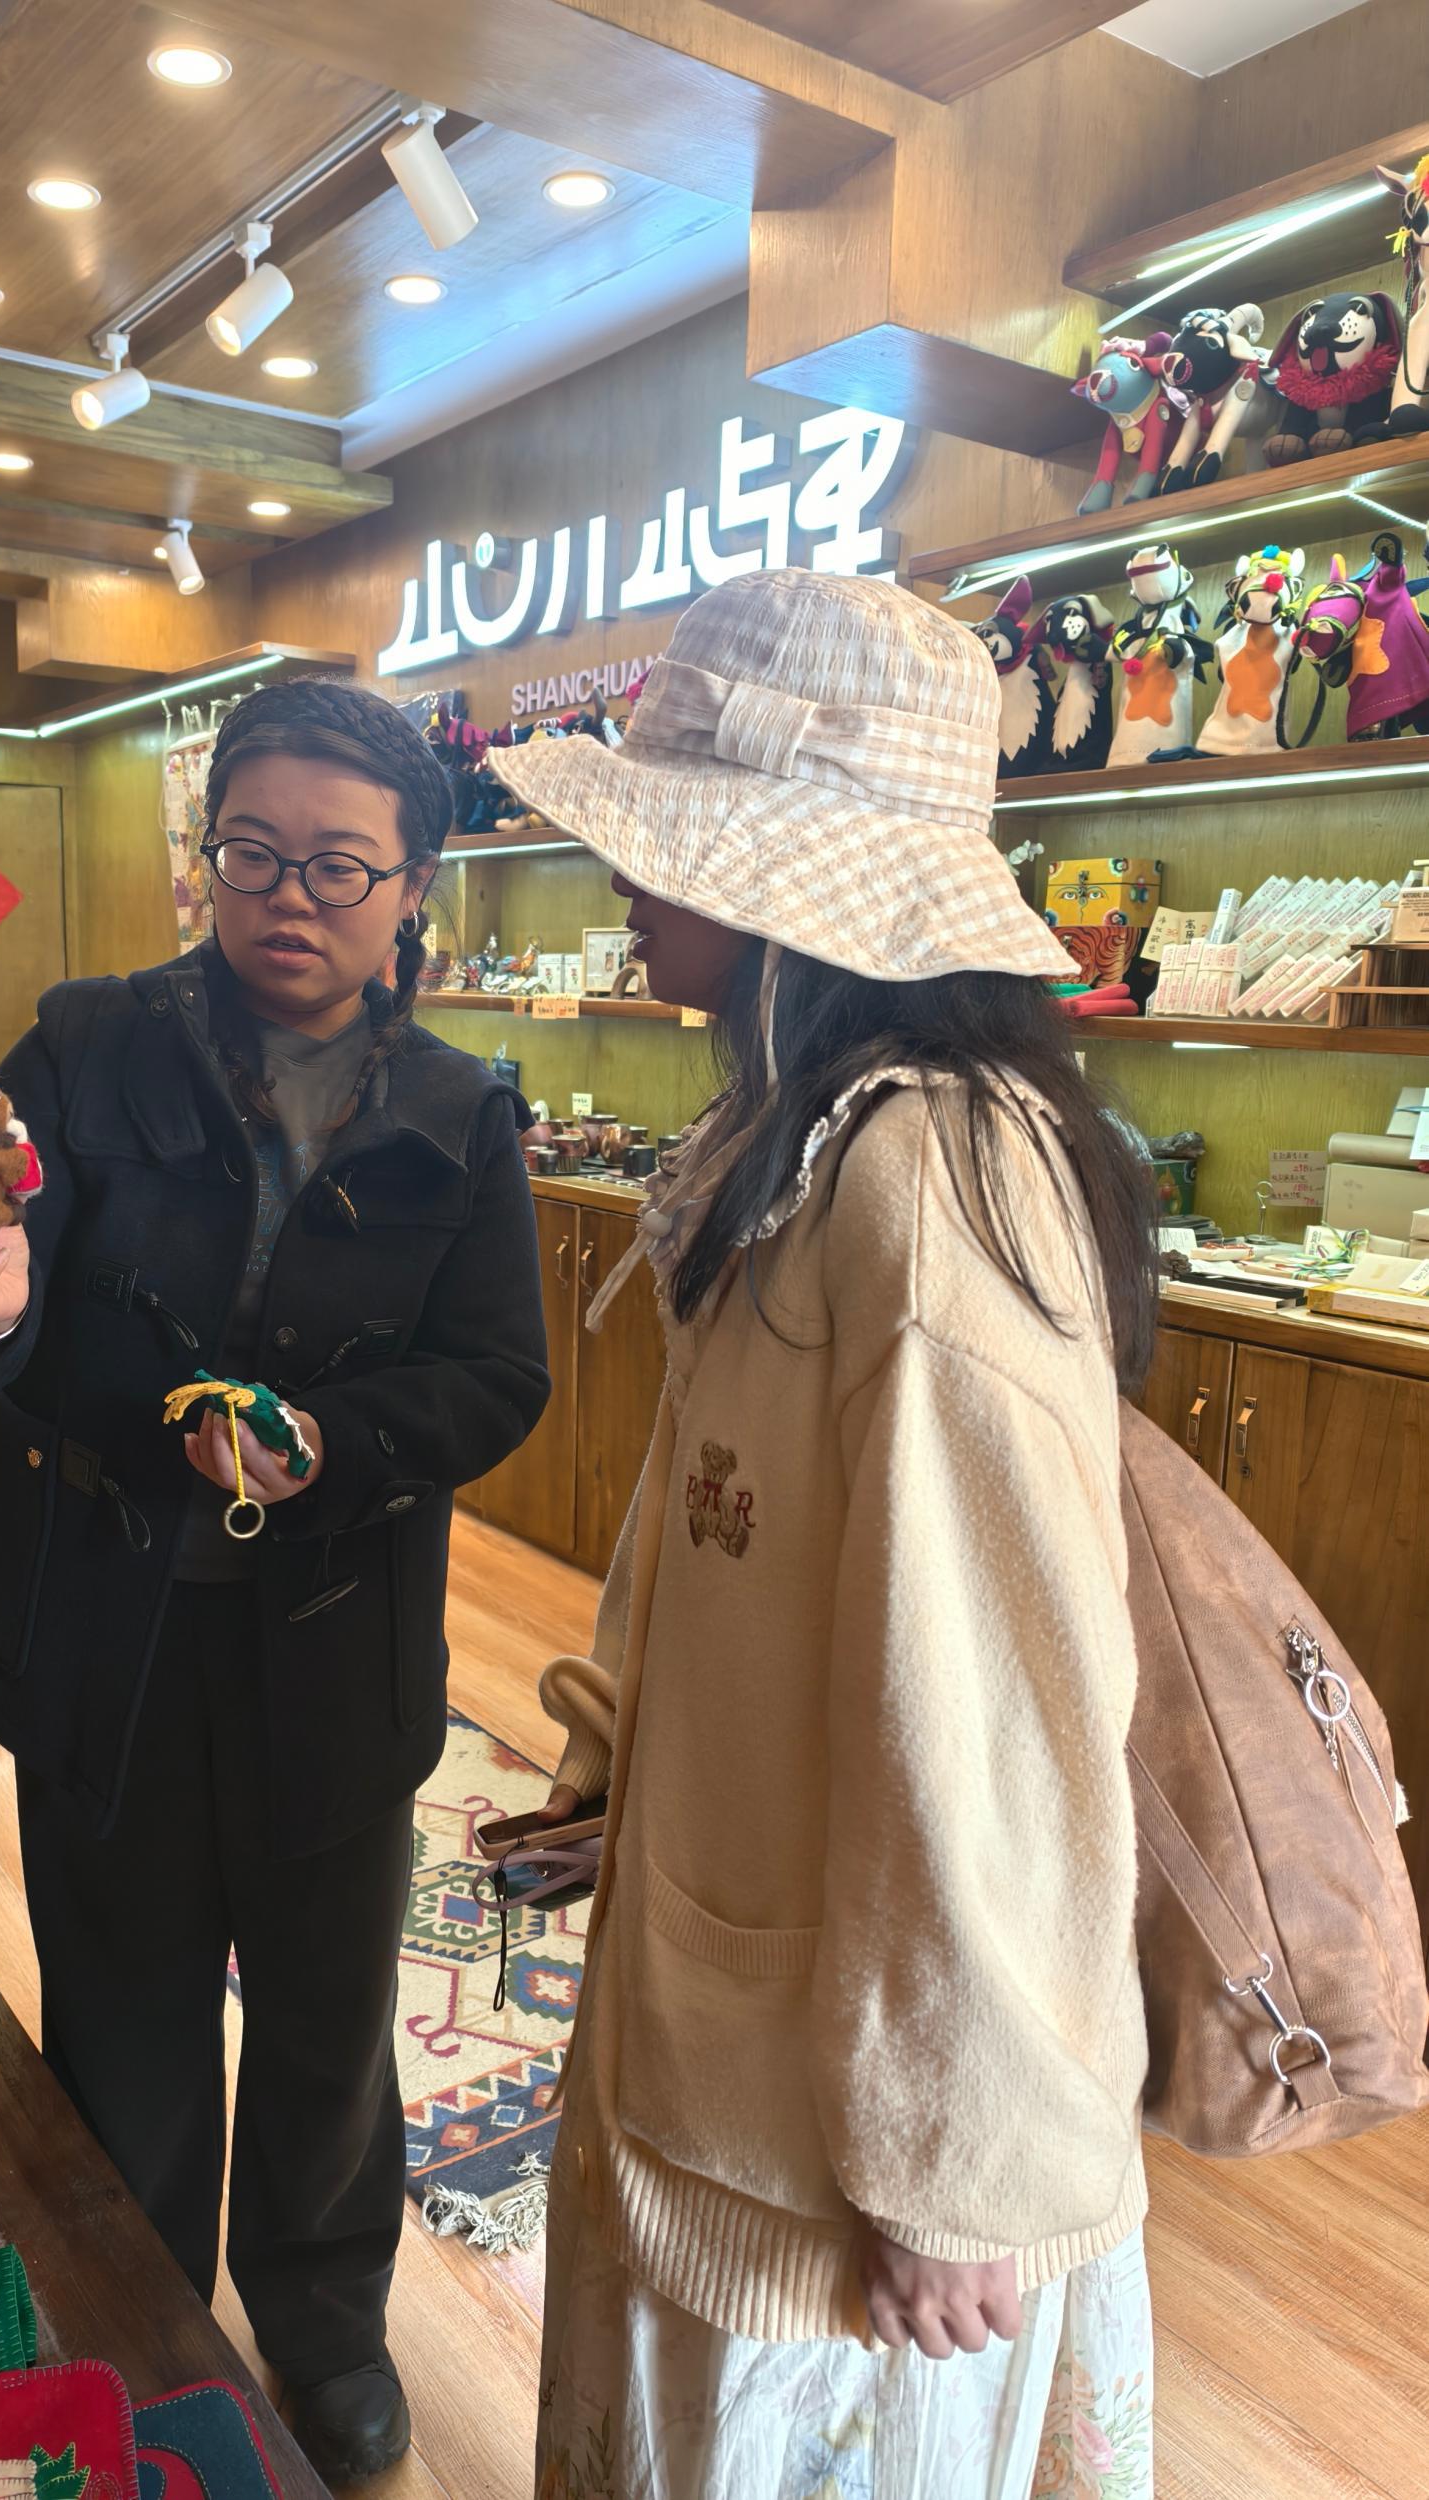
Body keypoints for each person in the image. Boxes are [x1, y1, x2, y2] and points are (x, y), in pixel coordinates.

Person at [490, 571, 1160, 2500]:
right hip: (746, 2044)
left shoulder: (924, 1176)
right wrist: (620, 1763)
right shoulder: (803, 1133)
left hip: (860, 2170)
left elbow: (1001, 1706)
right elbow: (714, 1533)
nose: (626, 875)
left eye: (668, 830)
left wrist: (963, 2161)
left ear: (787, 878)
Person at [0, 679, 550, 2487]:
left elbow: (498, 1376)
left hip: (337, 1639)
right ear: (208, 858)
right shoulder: (88, 1046)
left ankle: (325, 2328)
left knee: (329, 2019)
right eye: (253, 852)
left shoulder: (461, 1111)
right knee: (124, 2006)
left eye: (340, 864)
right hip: (112, 1624)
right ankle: (140, 2314)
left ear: (415, 887)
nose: (289, 897)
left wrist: (328, 1444)